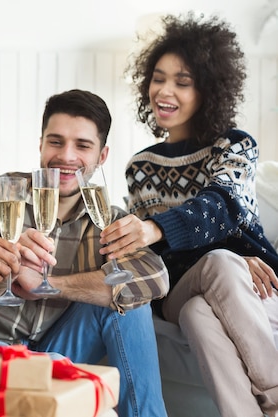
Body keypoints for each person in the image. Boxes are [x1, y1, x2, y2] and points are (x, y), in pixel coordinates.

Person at [0, 89, 170, 417]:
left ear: (102, 155)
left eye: (82, 146)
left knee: (129, 302)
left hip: (64, 344)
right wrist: (9, 266)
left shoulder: (108, 219)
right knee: (31, 370)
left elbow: (155, 278)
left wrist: (50, 285)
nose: (67, 156)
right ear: (40, 144)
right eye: (55, 141)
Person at [103, 13, 278, 417]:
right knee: (218, 263)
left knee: (200, 314)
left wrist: (154, 228)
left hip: (260, 292)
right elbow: (154, 263)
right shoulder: (141, 166)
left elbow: (222, 205)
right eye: (158, 78)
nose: (165, 90)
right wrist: (227, 261)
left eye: (183, 82)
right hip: (179, 288)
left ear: (208, 90)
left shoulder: (235, 146)